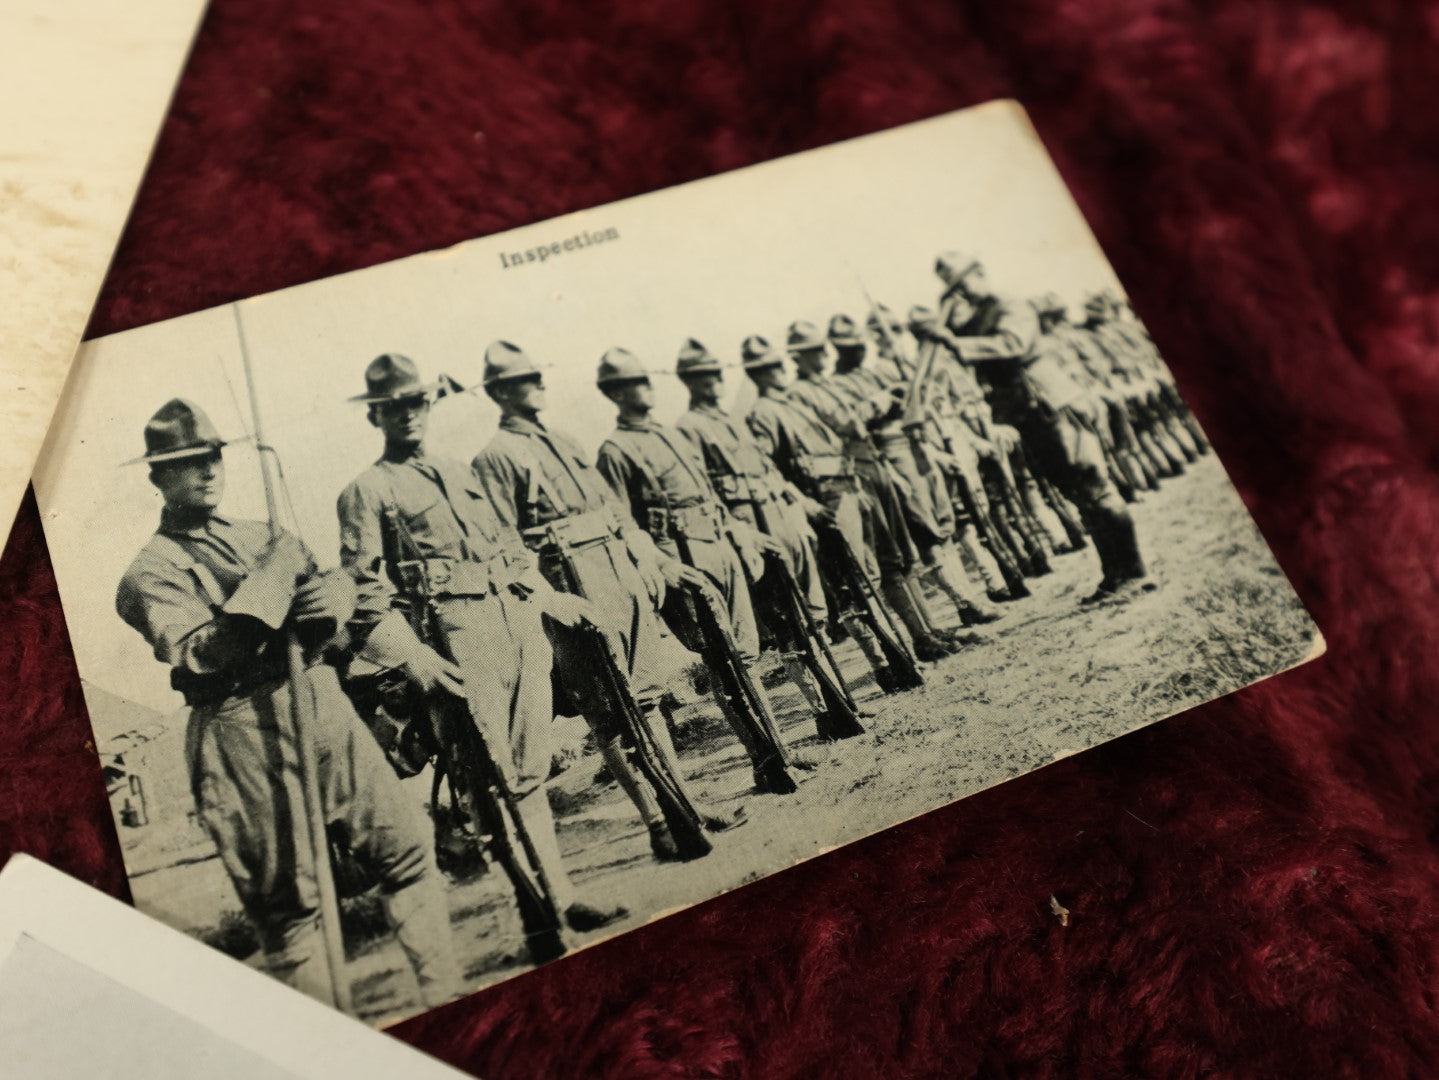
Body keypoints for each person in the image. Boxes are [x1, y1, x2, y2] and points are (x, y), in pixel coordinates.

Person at [115, 398, 460, 1008]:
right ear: (157, 476)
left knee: (406, 849)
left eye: (214, 457)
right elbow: (201, 652)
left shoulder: (267, 533)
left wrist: (340, 599)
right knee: (290, 903)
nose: (207, 470)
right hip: (240, 727)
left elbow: (343, 621)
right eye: (188, 462)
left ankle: (446, 1002)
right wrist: (275, 583)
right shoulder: (149, 573)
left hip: (320, 701)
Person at [334, 354, 626, 961]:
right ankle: (535, 922)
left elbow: (511, 548)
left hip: (512, 628)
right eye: (394, 407)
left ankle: (563, 896)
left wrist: (548, 598)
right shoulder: (365, 492)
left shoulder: (458, 471)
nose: (408, 415)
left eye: (417, 403)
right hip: (452, 643)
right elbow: (363, 594)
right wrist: (411, 656)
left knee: (529, 774)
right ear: (376, 416)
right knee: (487, 781)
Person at [472, 341, 742, 862]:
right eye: (528, 378)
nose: (540, 384)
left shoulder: (566, 439)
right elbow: (503, 544)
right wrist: (551, 600)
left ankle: (682, 802)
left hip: (619, 573)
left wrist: (651, 561)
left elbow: (615, 510)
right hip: (572, 586)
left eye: (537, 375)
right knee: (608, 712)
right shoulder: (495, 458)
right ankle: (657, 822)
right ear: (501, 392)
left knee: (646, 695)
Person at [593, 346, 819, 792]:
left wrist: (741, 532)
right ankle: (764, 762)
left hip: (719, 544)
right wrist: (662, 565)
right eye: (635, 382)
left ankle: (781, 751)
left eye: (645, 379)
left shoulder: (671, 434)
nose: (647, 386)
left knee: (749, 655)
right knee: (722, 660)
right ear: (615, 394)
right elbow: (622, 523)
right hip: (682, 558)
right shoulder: (615, 450)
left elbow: (710, 494)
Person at [924, 251, 1155, 602]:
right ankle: (1115, 574)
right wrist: (938, 328)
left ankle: (1136, 572)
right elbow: (960, 340)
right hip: (1025, 413)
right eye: (953, 289)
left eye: (963, 283)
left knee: (1094, 487)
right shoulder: (977, 317)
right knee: (1078, 497)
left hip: (1051, 402)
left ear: (980, 271)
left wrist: (952, 340)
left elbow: (1011, 344)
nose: (962, 293)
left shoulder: (1009, 306)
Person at [672, 338, 856, 719]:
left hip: (781, 513)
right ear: (687, 381)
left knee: (813, 611)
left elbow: (769, 468)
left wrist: (801, 505)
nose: (714, 380)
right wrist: (742, 534)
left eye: (716, 373)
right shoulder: (689, 427)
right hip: (750, 524)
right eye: (703, 376)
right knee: (785, 619)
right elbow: (705, 489)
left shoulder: (732, 419)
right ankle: (823, 710)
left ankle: (840, 698)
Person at [742, 334, 922, 691]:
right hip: (822, 496)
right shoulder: (763, 412)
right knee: (853, 585)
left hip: (845, 482)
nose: (780, 370)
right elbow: (762, 466)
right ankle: (883, 664)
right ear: (757, 374)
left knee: (867, 574)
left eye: (780, 364)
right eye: (771, 367)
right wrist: (800, 499)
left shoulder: (794, 399)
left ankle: (897, 658)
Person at [783, 319, 963, 660]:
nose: (822, 353)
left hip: (872, 462)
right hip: (851, 472)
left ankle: (925, 630)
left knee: (900, 555)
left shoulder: (827, 383)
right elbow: (846, 422)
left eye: (822, 347)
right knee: (880, 562)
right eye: (812, 351)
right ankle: (911, 642)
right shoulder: (800, 392)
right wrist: (882, 400)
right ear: (797, 357)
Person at [829, 313, 999, 627]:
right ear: (838, 349)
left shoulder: (875, 371)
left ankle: (971, 599)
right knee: (927, 531)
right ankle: (965, 601)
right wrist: (883, 400)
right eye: (849, 346)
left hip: (917, 442)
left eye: (859, 344)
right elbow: (851, 424)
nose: (858, 350)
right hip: (889, 449)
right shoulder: (836, 385)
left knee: (945, 525)